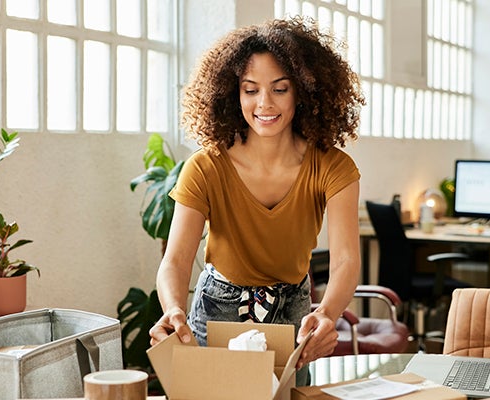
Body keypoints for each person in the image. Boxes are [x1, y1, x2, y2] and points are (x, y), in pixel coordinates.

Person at [148, 16, 365, 374]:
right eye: (251, 90)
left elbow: (345, 260)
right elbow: (175, 260)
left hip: (294, 310)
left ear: (304, 91)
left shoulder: (333, 167)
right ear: (233, 94)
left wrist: (326, 312)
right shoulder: (205, 167)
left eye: (280, 89)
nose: (264, 103)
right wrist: (173, 309)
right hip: (216, 311)